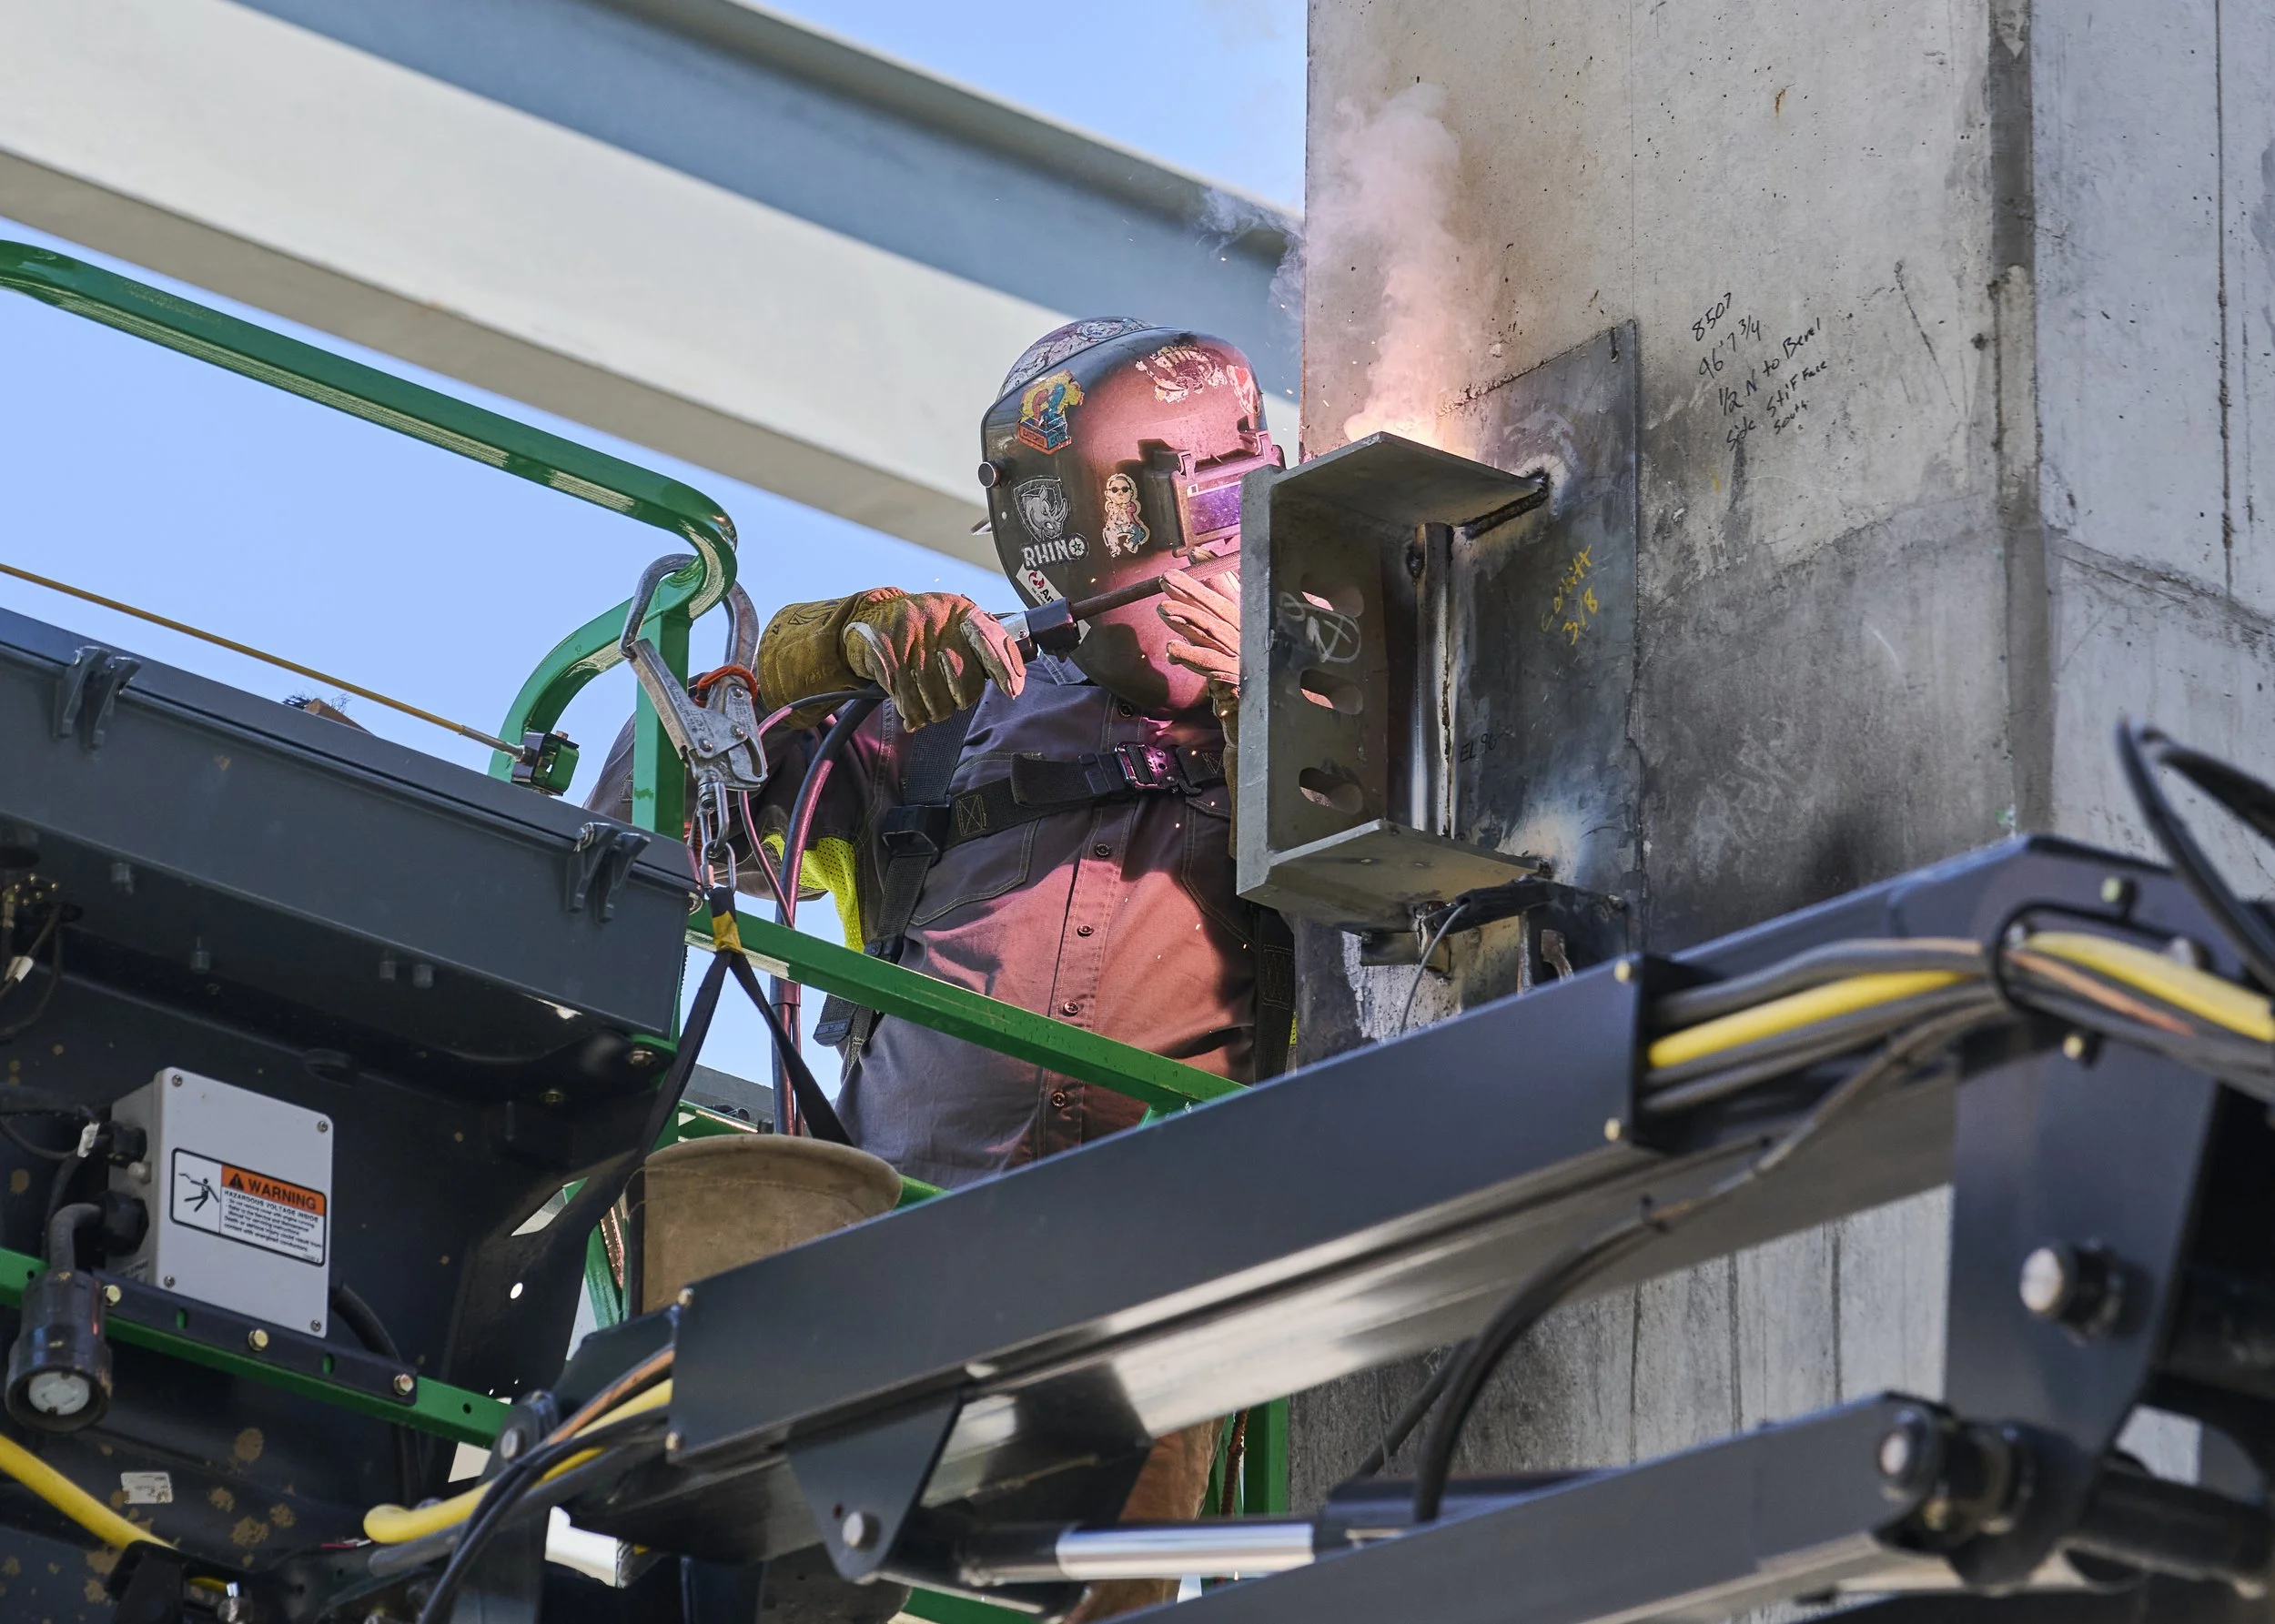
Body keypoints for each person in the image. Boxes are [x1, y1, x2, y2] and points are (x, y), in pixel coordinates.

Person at [596, 318, 1288, 1618]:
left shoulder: (1336, 708)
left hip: (1144, 1257)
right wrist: (818, 651)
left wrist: (1282, 702)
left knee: (1101, 1576)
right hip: (897, 1233)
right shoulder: (956, 710)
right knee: (729, 1524)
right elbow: (648, 826)